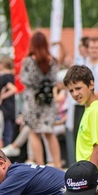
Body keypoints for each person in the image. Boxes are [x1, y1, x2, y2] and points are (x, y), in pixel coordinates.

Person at [63, 65, 98, 180]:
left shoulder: (95, 110)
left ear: (91, 84)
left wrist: (87, 179)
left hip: (96, 181)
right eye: (71, 91)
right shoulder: (92, 108)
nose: (75, 94)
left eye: (78, 88)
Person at [21, 32, 62, 168]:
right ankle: (57, 163)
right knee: (49, 133)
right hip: (48, 100)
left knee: (34, 133)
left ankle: (40, 165)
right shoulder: (53, 61)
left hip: (33, 101)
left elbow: (25, 80)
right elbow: (55, 79)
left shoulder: (28, 61)